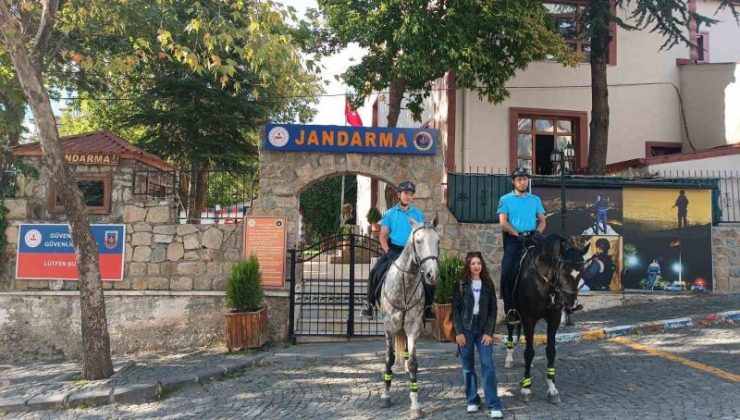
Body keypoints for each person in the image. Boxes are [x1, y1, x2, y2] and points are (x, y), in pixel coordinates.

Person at [361, 181, 435, 320]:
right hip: (394, 250)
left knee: (429, 275)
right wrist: (387, 250)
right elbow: (383, 236)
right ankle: (369, 304)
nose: (408, 196)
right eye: (406, 193)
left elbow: (421, 235)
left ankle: (428, 308)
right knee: (375, 271)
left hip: (413, 253)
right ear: (399, 195)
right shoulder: (389, 214)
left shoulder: (418, 214)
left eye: (411, 194)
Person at [452, 252, 503, 419]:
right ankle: (472, 400)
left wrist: (489, 332)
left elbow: (492, 311)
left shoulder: (487, 284)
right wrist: (459, 332)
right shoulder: (461, 284)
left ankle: (494, 404)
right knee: (468, 367)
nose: (476, 266)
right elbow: (456, 310)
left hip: (482, 331)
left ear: (482, 266)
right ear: (468, 265)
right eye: (473, 263)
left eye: (479, 263)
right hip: (465, 329)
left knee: (488, 365)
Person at [497, 167, 546, 325]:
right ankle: (510, 309)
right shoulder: (505, 199)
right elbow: (503, 222)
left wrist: (538, 232)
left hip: (533, 237)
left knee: (552, 263)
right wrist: (517, 234)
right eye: (519, 179)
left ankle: (562, 303)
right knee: (507, 270)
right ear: (513, 181)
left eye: (525, 179)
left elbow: (542, 220)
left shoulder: (535, 199)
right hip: (514, 239)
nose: (522, 182)